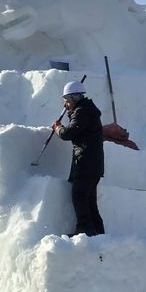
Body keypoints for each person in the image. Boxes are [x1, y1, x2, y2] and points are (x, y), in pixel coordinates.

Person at [53, 80, 105, 236]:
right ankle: (98, 233)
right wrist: (70, 113)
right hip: (92, 164)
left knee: (79, 197)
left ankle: (84, 230)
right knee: (90, 201)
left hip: (85, 163)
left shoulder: (82, 112)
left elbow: (68, 134)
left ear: (74, 98)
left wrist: (58, 128)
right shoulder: (87, 110)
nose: (65, 104)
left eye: (67, 100)